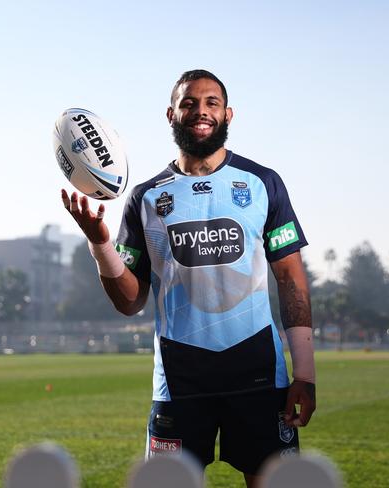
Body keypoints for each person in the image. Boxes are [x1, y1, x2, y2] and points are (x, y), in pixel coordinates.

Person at [61, 69, 315, 487]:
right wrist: (100, 244)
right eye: (189, 103)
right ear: (171, 114)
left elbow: (290, 279)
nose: (201, 111)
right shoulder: (145, 197)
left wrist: (304, 372)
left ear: (228, 114)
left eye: (211, 103)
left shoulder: (263, 183)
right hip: (179, 379)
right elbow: (129, 301)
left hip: (256, 373)